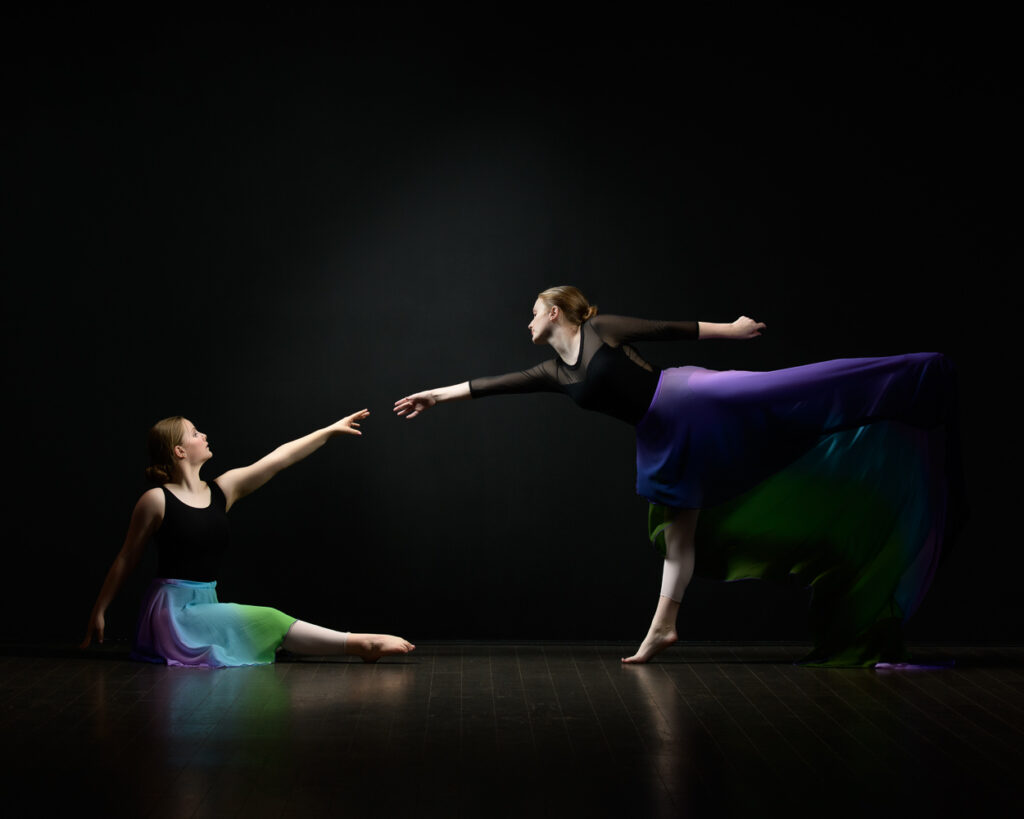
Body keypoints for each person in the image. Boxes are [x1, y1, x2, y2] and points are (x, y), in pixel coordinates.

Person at [394, 286, 962, 667]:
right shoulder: (554, 372)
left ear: (556, 311)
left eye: (534, 311)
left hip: (690, 398)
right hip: (661, 438)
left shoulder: (601, 328)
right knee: (677, 537)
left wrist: (732, 330)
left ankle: (911, 378)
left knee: (786, 388)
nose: (528, 321)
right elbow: (493, 385)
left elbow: (669, 327)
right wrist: (435, 397)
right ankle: (661, 630)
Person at [81, 410, 415, 666]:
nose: (204, 435)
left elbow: (278, 459)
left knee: (262, 627)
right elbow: (127, 557)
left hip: (205, 603)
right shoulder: (156, 500)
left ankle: (356, 644)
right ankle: (361, 644)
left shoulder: (222, 489)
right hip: (172, 612)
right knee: (269, 618)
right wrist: (100, 609)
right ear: (179, 451)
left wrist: (328, 431)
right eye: (195, 433)